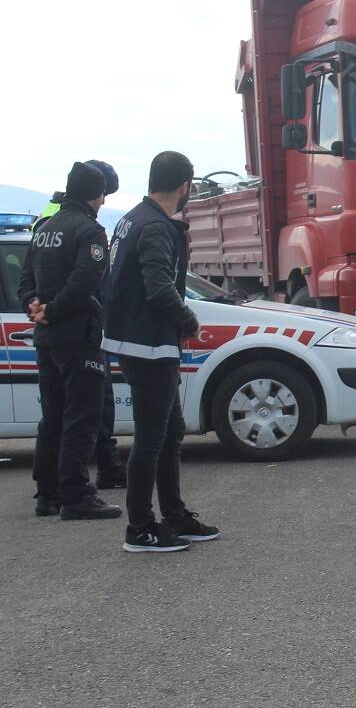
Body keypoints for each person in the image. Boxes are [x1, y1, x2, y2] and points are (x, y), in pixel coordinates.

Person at [101, 151, 218, 553]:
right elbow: (158, 287)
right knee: (153, 438)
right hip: (148, 344)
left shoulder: (132, 218)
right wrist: (189, 320)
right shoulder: (155, 226)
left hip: (138, 340)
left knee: (170, 432)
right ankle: (140, 528)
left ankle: (174, 515)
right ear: (186, 186)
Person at [17, 162, 122, 520]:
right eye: (103, 195)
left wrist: (34, 307)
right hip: (77, 337)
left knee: (53, 416)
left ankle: (48, 495)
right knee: (83, 416)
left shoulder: (44, 228)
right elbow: (85, 282)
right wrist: (53, 311)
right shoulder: (89, 231)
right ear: (97, 194)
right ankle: (76, 495)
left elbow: (25, 279)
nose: (104, 201)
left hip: (46, 339)